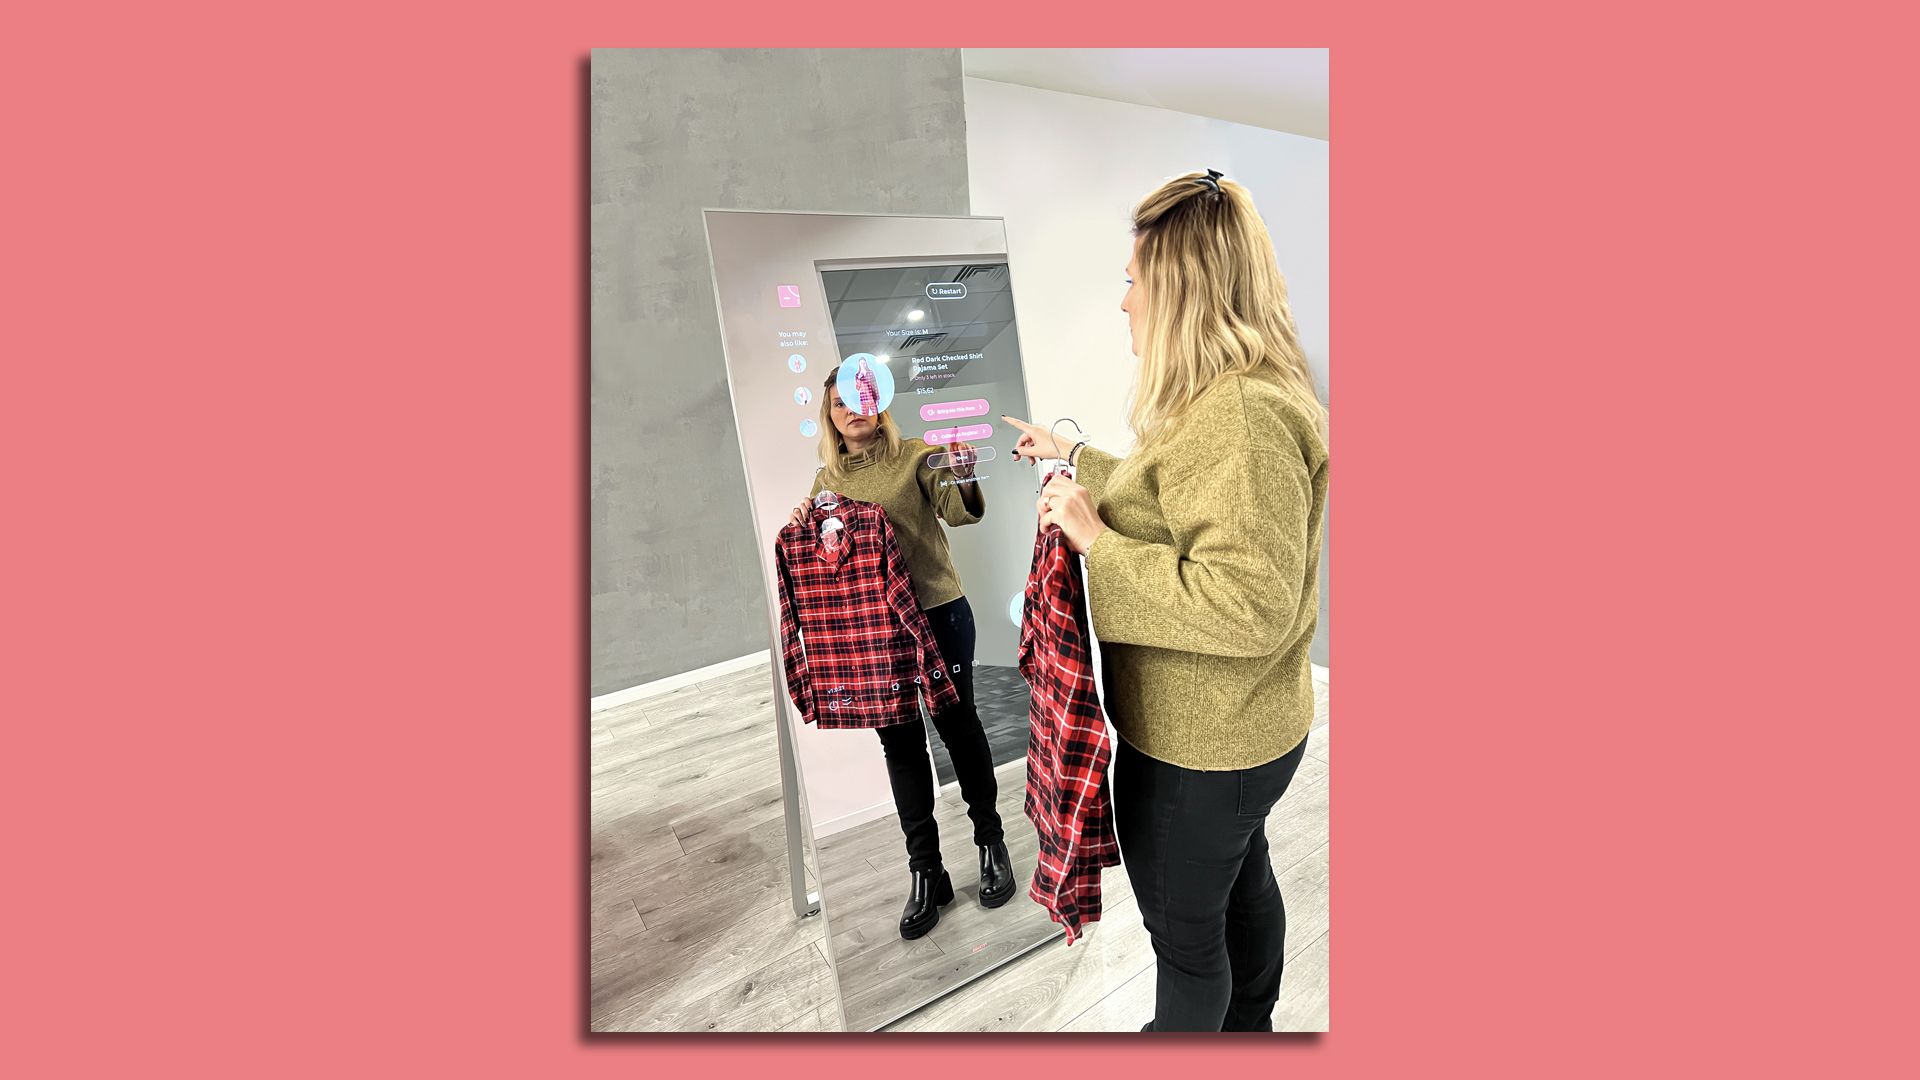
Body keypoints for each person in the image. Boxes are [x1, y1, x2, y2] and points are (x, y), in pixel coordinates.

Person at [1004, 169, 1329, 1032]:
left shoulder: (1242, 418)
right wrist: (1077, 455)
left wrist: (1096, 542)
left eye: (1134, 281)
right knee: (1241, 886)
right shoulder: (1233, 400)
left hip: (1204, 749)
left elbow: (1247, 601)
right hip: (1242, 734)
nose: (1124, 305)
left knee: (1188, 944)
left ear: (1179, 292)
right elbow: (1180, 500)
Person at [785, 366, 1015, 940]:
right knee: (901, 742)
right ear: (829, 417)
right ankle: (927, 870)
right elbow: (825, 553)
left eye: (857, 400)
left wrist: (961, 472)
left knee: (959, 726)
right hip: (874, 629)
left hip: (938, 611)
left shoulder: (917, 454)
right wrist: (802, 523)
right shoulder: (825, 482)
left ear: (878, 403)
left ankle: (991, 845)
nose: (849, 411)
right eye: (837, 404)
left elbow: (960, 513)